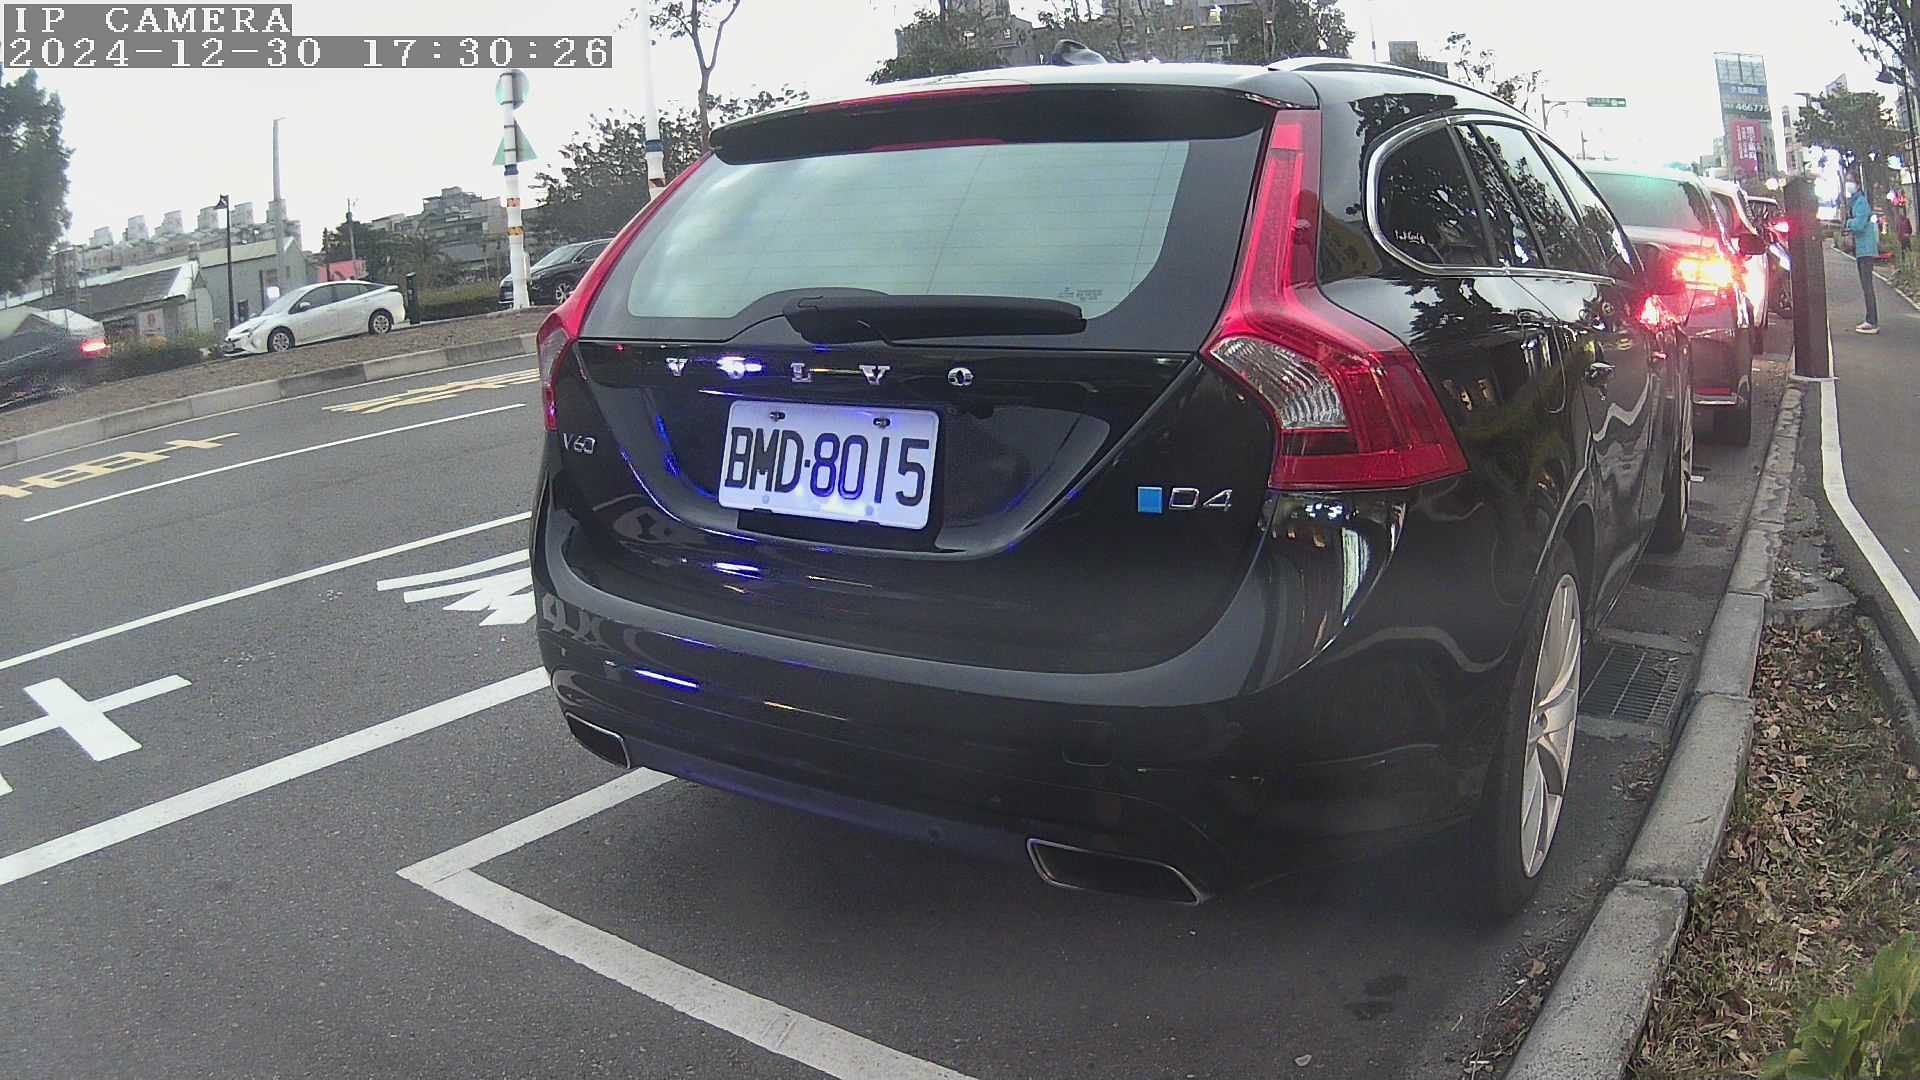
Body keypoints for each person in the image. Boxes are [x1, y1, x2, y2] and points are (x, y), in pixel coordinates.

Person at [1845, 181, 1880, 334]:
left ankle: (1872, 321)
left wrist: (1848, 222)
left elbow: (1859, 224)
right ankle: (1870, 319)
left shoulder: (1860, 202)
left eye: (1850, 181)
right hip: (1863, 249)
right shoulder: (1856, 202)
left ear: (1857, 185)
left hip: (1865, 249)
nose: (1848, 185)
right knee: (1866, 286)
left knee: (1867, 286)